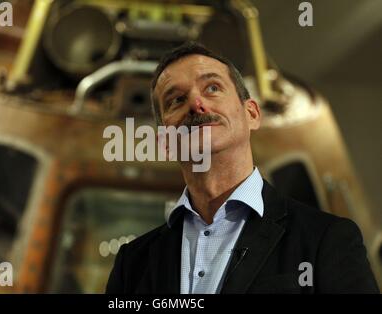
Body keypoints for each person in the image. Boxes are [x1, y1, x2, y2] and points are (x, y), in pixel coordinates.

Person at [105, 42, 379, 293]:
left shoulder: (326, 240)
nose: (196, 104)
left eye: (212, 87)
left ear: (252, 114)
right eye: (176, 99)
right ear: (165, 142)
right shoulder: (133, 263)